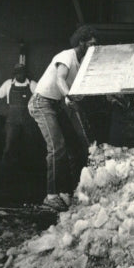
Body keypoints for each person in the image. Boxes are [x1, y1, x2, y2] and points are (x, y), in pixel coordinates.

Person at [28, 25, 96, 211]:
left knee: (74, 147)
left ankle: (66, 191)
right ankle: (51, 195)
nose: (94, 44)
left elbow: (72, 89)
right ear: (81, 42)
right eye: (90, 41)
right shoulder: (67, 56)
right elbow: (60, 79)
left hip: (55, 105)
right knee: (56, 147)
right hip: (41, 103)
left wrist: (74, 98)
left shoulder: (81, 64)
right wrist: (69, 95)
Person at [0, 63, 40, 200]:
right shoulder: (8, 84)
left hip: (29, 121)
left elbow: (42, 98)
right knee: (9, 148)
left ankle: (32, 181)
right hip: (13, 121)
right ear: (14, 74)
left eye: (22, 73)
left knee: (31, 148)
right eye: (17, 73)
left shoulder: (33, 85)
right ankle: (5, 179)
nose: (20, 75)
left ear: (25, 73)